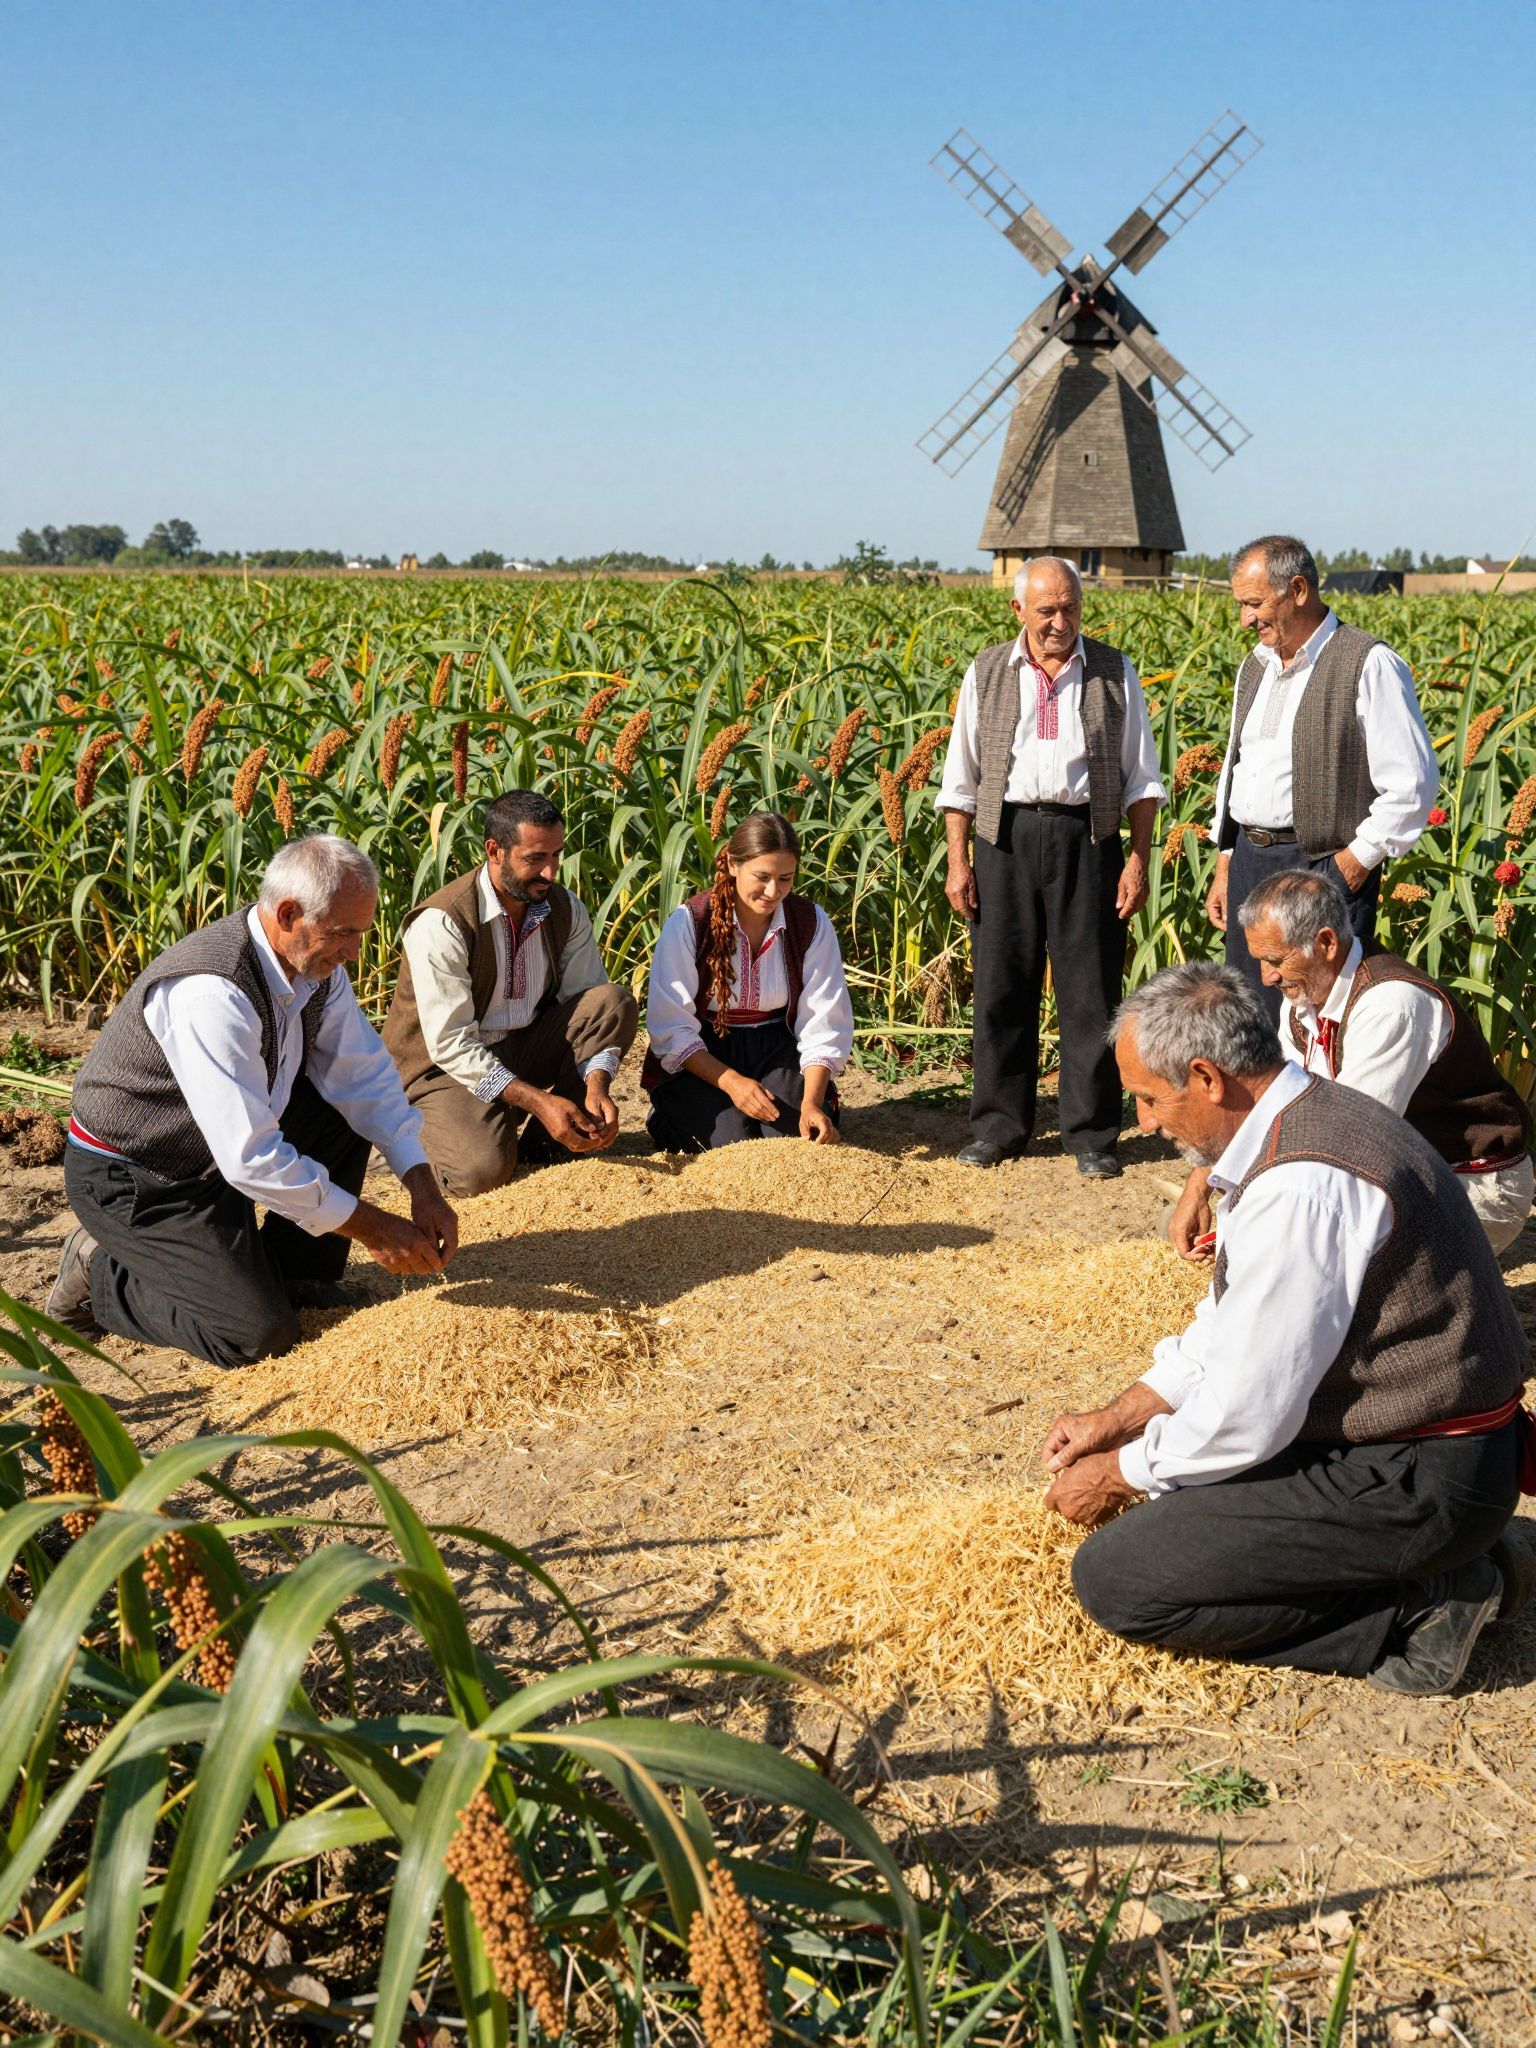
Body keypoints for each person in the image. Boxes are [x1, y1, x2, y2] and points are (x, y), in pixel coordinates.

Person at [1042, 962, 1534, 1696]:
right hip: (1419, 1451)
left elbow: (1248, 1415)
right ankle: (1466, 1555)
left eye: (1149, 1099)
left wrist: (1118, 1473)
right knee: (1181, 1491)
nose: (1145, 1123)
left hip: (1422, 1473)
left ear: (1207, 1078)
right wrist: (1119, 1419)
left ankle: (1429, 1602)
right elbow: (1233, 1324)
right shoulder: (1304, 1112)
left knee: (1119, 1578)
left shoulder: (1303, 1183)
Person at [49, 835, 458, 1369]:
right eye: (344, 933)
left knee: (341, 1110)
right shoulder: (211, 992)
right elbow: (251, 1158)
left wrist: (423, 1187)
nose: (355, 952)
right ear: (288, 914)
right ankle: (101, 1274)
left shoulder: (315, 968)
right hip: (143, 1177)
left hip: (217, 1155)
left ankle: (297, 1275)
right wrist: (374, 1228)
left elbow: (365, 1078)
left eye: (361, 933)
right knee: (255, 1337)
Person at [936, 556, 1165, 1177]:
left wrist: (1137, 859)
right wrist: (959, 861)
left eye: (1070, 608)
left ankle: (1091, 1134)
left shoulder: (1114, 671)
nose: (1060, 622)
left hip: (1088, 839)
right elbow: (961, 779)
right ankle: (998, 1128)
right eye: (1046, 611)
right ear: (1018, 610)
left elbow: (1142, 779)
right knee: (1000, 986)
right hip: (1004, 839)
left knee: (1090, 991)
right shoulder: (987, 671)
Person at [1170, 869, 1533, 1257]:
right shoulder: (1304, 995)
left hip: (1475, 1184)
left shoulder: (1391, 1006)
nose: (1267, 976)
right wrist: (1202, 1186)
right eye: (1260, 959)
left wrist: (1261, 1227)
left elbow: (1346, 1145)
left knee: (1323, 1258)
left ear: (1326, 943)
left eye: (1275, 959)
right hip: (1405, 1172)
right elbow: (1273, 1104)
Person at [1207, 534, 1437, 1019]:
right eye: (1241, 605)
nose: (1245, 619)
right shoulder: (1255, 665)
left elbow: (1411, 786)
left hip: (1319, 866)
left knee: (1315, 1014)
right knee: (1250, 1014)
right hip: (1250, 861)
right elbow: (1237, 765)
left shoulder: (1368, 662)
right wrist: (1227, 859)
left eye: (1254, 604)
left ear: (1297, 590)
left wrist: (1350, 867)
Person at [383, 790, 639, 1195]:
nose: (550, 872)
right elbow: (450, 1045)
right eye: (535, 858)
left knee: (613, 1001)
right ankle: (402, 1140)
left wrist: (596, 1085)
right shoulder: (442, 923)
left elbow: (589, 1007)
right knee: (479, 1172)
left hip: (521, 1047)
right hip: (440, 1070)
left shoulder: (564, 908)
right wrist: (538, 1101)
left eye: (556, 855)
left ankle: (549, 1144)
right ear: (495, 851)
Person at [643, 810, 854, 1151]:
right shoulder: (692, 921)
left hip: (778, 1044)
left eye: (785, 878)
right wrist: (732, 1082)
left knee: (796, 1139)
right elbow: (672, 1027)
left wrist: (811, 1102)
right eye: (762, 876)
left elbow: (823, 1020)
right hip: (706, 1048)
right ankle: (668, 1115)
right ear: (732, 864)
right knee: (731, 1144)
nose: (773, 891)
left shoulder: (809, 922)